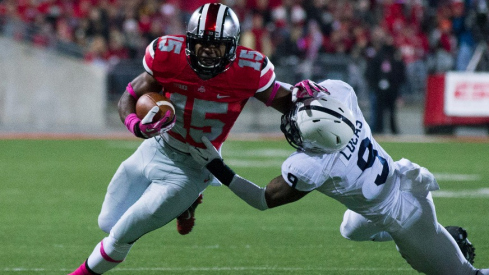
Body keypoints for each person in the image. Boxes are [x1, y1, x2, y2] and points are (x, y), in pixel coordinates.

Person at [69, 3, 293, 274]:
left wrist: (312, 104)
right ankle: (187, 206)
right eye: (202, 43)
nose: (209, 51)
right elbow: (130, 95)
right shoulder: (167, 54)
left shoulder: (250, 70)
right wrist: (136, 126)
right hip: (157, 146)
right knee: (108, 222)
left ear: (232, 47)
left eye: (218, 45)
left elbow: (288, 102)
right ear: (189, 42)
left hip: (195, 166)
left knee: (120, 236)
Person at [189, 79, 488, 275]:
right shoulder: (341, 96)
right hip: (395, 183)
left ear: (318, 144)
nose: (292, 124)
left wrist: (219, 168)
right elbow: (305, 98)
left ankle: (437, 239)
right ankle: (441, 234)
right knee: (349, 228)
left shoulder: (313, 165)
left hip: (406, 218)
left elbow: (261, 200)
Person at [365, 41, 405, 134]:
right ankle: (380, 129)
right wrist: (375, 86)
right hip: (381, 89)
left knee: (390, 110)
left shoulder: (393, 60)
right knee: (380, 111)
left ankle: (391, 129)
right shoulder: (378, 59)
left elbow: (399, 75)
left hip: (391, 89)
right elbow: (370, 74)